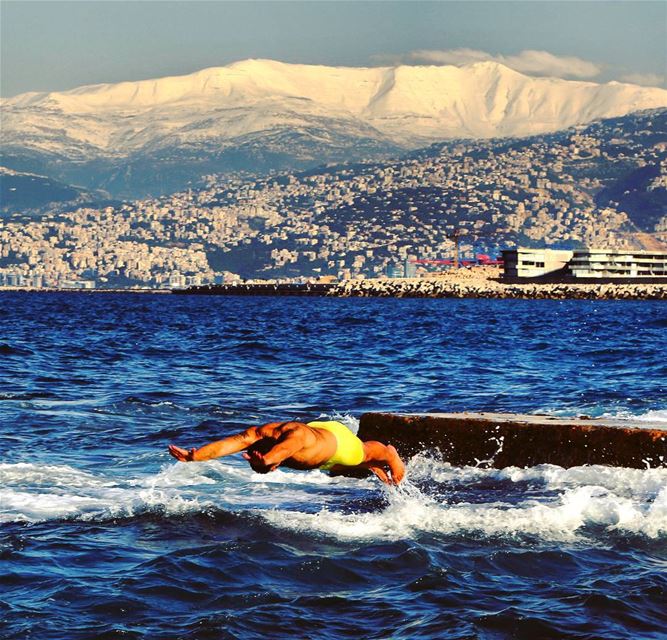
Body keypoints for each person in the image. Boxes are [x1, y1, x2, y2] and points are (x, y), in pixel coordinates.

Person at [168, 419, 405, 485]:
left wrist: (266, 462)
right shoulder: (258, 434)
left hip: (338, 443)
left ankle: (390, 454)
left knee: (362, 453)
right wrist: (195, 456)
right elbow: (231, 443)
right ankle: (370, 465)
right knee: (336, 467)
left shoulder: (295, 437)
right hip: (321, 452)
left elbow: (281, 451)